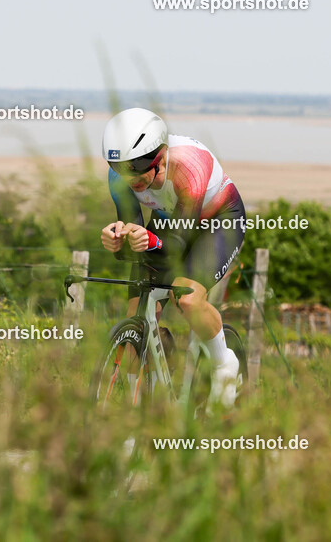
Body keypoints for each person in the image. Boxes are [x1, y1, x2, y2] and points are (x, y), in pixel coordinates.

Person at [99, 108, 245, 410]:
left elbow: (178, 244)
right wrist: (118, 240)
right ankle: (150, 407)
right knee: (137, 316)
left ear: (161, 156)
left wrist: (149, 240)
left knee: (187, 297)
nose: (129, 178)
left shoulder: (189, 166)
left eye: (137, 168)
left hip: (217, 222)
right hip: (170, 225)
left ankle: (224, 364)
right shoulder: (119, 177)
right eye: (120, 168)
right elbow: (133, 233)